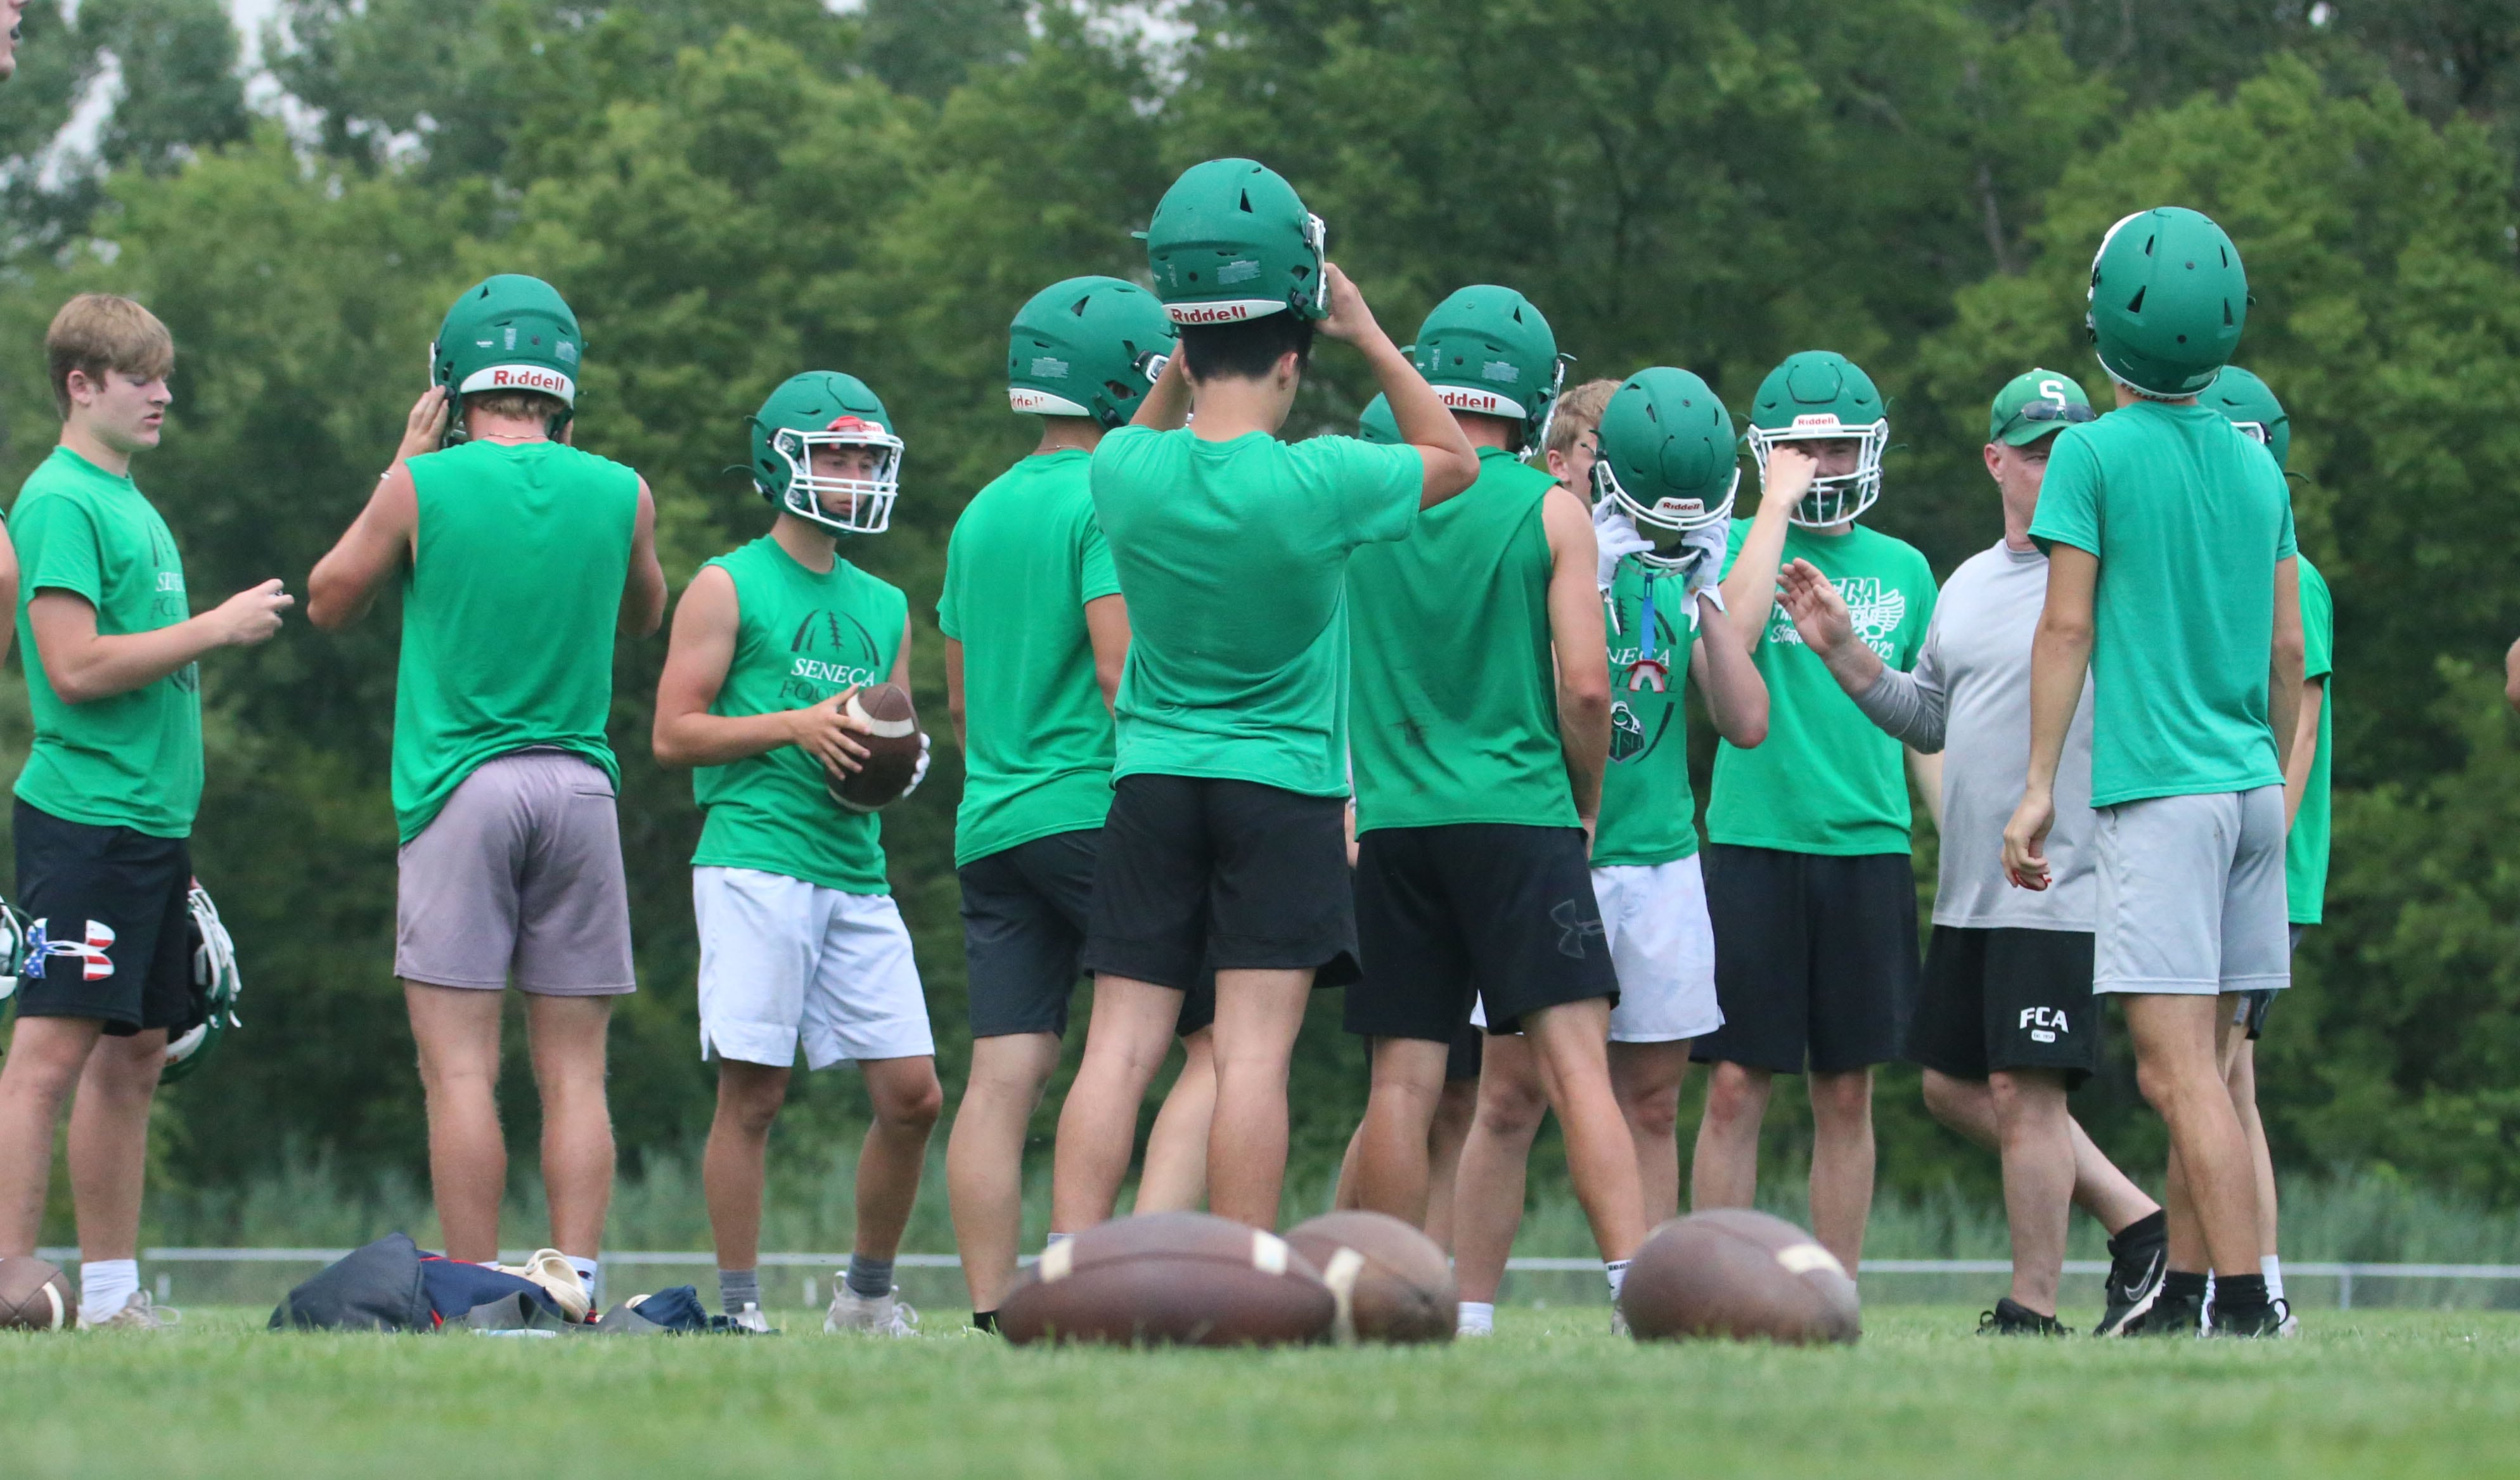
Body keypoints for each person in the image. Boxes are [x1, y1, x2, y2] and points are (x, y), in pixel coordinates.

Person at [1048, 158, 1479, 1234]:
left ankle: (1059, 1266)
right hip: (1280, 791)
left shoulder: (1121, 476)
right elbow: (1454, 458)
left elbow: (1147, 432)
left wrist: (1182, 350)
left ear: (1188, 353)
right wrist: (1370, 332)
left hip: (1152, 782)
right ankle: (1240, 1271)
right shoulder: (1325, 480)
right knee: (1250, 1056)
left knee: (1117, 1048)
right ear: (1292, 361)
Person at [1776, 368, 2167, 1336]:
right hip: (1970, 892)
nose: (2057, 471)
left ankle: (2032, 1308)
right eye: (2038, 456)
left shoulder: (2111, 577)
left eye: (2073, 455)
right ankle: (2138, 1220)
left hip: (2061, 879)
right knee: (1953, 1088)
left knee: (2023, 1094)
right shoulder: (1967, 583)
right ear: (1997, 463)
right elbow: (1931, 716)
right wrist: (1843, 655)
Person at [309, 276, 667, 1306]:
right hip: (578, 790)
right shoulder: (622, 489)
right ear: (562, 385)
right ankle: (577, 1285)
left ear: (452, 383)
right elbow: (647, 613)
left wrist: (403, 465)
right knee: (575, 1073)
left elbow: (331, 600)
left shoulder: (423, 483)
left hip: (460, 789)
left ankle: (471, 1290)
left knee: (463, 1072)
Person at [2003, 207, 2303, 1339]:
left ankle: (2244, 1305)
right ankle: (2191, 1300)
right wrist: (2262, 771)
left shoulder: (2088, 451)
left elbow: (2065, 630)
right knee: (2215, 1073)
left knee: (2176, 1081)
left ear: (2104, 320)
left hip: (2165, 796)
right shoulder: (2253, 462)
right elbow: (2285, 652)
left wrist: (2037, 787)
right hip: (2250, 791)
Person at [1338, 286, 1649, 1319]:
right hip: (1520, 818)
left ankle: (1375, 1286)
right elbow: (1591, 687)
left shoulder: (1372, 499)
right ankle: (1633, 1289)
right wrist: (1586, 800)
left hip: (1393, 823)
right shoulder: (1552, 508)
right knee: (1578, 1075)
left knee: (1402, 1084)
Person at [1450, 367, 1771, 1336]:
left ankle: (1654, 1307)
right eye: (1604, 456)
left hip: (1663, 855)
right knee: (1509, 1099)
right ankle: (1469, 1314)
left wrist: (1705, 594)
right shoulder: (1548, 555)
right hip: (1556, 849)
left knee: (1652, 1104)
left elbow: (1747, 721)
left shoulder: (1671, 571)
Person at [0, 293, 291, 1328]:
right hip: (85, 822)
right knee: (49, 1052)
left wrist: (180, 852)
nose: (164, 393)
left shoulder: (132, 500)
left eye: (163, 374)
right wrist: (215, 627)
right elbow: (73, 670)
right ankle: (6, 1275)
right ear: (82, 387)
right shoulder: (60, 501)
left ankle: (116, 1296)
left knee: (136, 1056)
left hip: (150, 833)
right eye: (140, 377)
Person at [650, 371, 941, 1337]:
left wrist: (898, 762)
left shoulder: (888, 602)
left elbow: (884, 739)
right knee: (756, 1094)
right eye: (836, 456)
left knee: (914, 1096)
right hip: (754, 857)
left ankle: (864, 1298)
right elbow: (673, 734)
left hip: (853, 864)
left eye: (867, 457)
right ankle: (741, 1313)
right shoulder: (728, 581)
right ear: (783, 464)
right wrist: (793, 726)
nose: (855, 474)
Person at [938, 276, 1192, 1330]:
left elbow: (955, 700)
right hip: (1090, 808)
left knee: (1004, 1074)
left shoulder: (980, 511)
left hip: (991, 820)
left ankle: (996, 1309)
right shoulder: (1104, 498)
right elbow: (1116, 668)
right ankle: (1126, 1273)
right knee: (1215, 1039)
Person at [1692, 350, 1938, 1271]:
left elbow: (1929, 724)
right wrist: (1774, 509)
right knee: (1733, 1084)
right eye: (1803, 451)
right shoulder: (1741, 547)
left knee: (1846, 1093)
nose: (1823, 466)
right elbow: (1737, 641)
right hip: (1756, 843)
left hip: (1866, 847)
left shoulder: (1907, 568)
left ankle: (1831, 1288)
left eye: (1837, 450)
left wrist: (1962, 837)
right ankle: (1716, 1275)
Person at [2203, 364, 2323, 1337]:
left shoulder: (2296, 574)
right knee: (2228, 1078)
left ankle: (2255, 1283)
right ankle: (2249, 1279)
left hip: (2261, 862)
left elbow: (2303, 715)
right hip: (2235, 854)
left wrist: (2264, 849)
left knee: (2221, 1073)